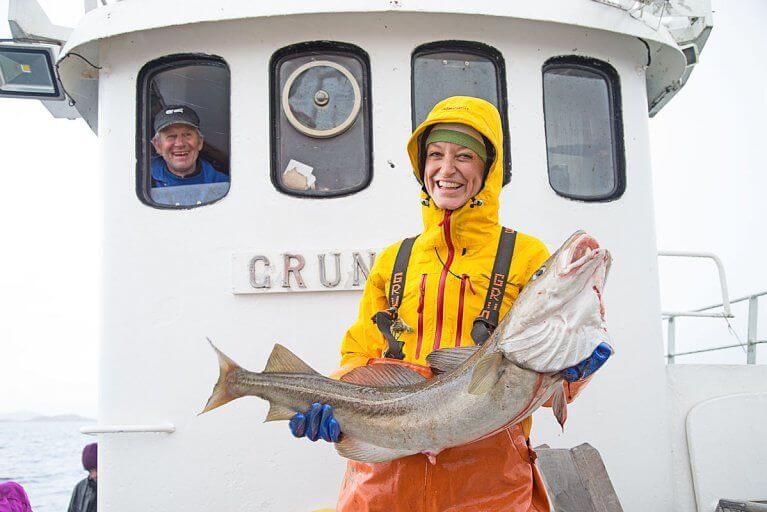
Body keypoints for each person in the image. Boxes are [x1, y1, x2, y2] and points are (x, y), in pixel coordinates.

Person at [290, 96, 612, 511]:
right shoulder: (393, 261)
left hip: (488, 489)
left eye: (464, 156)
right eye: (435, 155)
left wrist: (576, 371)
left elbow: (550, 373)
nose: (447, 169)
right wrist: (335, 411)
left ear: (488, 169)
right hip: (384, 488)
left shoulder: (526, 255)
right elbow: (358, 355)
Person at [150, 105, 229, 188]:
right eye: (171, 136)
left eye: (187, 135)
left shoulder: (225, 186)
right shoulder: (141, 182)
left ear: (200, 142)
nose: (180, 144)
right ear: (157, 145)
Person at [67, 443, 97, 512]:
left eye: (96, 469)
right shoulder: (80, 487)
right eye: (90, 471)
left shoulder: (113, 488)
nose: (93, 475)